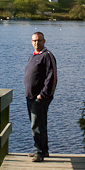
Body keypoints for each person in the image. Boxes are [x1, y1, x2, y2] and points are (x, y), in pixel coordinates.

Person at [24, 31, 57, 162]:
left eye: (39, 40)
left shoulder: (47, 56)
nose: (36, 43)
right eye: (34, 41)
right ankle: (43, 149)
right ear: (31, 42)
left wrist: (43, 94)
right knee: (39, 124)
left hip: (40, 97)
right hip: (30, 97)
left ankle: (38, 152)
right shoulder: (32, 56)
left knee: (36, 125)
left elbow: (52, 77)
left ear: (44, 41)